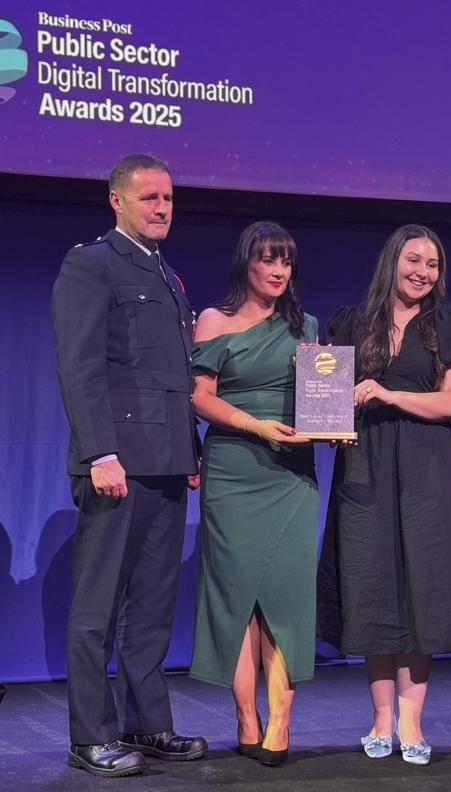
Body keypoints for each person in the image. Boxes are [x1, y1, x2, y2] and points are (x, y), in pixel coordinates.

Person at [51, 154, 208, 777]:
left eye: (169, 198)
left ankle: (147, 725)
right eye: (150, 198)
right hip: (116, 462)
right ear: (117, 201)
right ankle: (89, 735)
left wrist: (188, 453)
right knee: (96, 607)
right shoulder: (90, 264)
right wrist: (99, 452)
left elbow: (170, 378)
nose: (163, 207)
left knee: (151, 607)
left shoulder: (167, 277)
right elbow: (81, 366)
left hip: (168, 462)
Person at [316, 224, 451, 765]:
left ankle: (412, 722)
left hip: (426, 471)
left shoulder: (448, 324)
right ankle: (380, 721)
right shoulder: (351, 322)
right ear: (392, 261)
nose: (422, 272)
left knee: (422, 592)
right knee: (372, 589)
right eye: (413, 260)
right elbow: (323, 391)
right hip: (363, 466)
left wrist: (387, 392)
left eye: (432, 264)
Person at [189, 221, 319, 767]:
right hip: (234, 471)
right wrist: (256, 426)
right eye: (268, 260)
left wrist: (332, 422)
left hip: (290, 475)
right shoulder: (213, 320)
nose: (277, 270)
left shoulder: (306, 325)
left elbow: (321, 398)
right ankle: (246, 718)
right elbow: (200, 397)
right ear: (246, 263)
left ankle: (282, 720)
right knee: (236, 602)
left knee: (286, 599)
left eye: (285, 261)